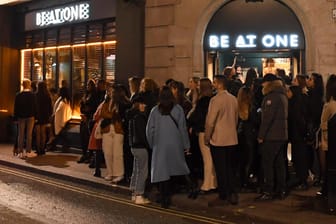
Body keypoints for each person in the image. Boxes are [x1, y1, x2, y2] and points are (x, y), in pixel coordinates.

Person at [146, 86, 190, 208]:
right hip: (175, 144)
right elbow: (182, 128)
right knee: (172, 171)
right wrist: (186, 145)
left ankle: (163, 196)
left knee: (162, 171)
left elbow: (149, 130)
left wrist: (151, 144)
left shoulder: (155, 111)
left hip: (159, 144)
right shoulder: (178, 109)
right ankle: (168, 196)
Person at [204, 75, 239, 206]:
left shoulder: (215, 100)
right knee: (230, 167)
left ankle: (223, 194)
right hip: (232, 138)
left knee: (221, 168)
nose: (213, 84)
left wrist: (207, 137)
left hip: (218, 139)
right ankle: (232, 192)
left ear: (219, 84)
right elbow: (236, 118)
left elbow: (210, 122)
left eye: (214, 82)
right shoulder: (233, 99)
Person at [255, 73, 288, 201]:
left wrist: (261, 135)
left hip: (272, 136)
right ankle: (281, 189)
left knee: (268, 164)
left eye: (263, 82)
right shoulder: (282, 95)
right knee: (279, 164)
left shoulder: (271, 97)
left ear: (268, 83)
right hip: (281, 135)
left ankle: (268, 191)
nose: (262, 85)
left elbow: (267, 119)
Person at [189, 78, 217, 194]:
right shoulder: (213, 99)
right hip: (214, 131)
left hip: (203, 131)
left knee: (207, 159)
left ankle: (207, 184)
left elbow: (194, 117)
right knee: (212, 158)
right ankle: (213, 182)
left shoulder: (201, 101)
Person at [237, 68, 258, 189]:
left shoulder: (238, 107)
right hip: (250, 134)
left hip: (241, 134)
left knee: (242, 158)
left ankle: (241, 180)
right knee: (250, 157)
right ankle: (247, 180)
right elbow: (255, 120)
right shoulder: (251, 108)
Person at [127, 93, 150, 204]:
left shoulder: (131, 116)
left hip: (133, 146)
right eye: (143, 104)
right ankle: (139, 195)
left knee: (136, 169)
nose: (145, 106)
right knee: (143, 171)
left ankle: (133, 192)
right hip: (141, 146)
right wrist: (149, 145)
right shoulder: (139, 117)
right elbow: (143, 134)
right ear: (139, 104)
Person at [318, 74, 336, 201]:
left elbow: (323, 123)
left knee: (328, 167)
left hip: (328, 141)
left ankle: (327, 191)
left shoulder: (330, 105)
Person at [14, 79, 37, 159]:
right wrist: (36, 117)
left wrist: (15, 118)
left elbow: (16, 107)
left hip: (21, 117)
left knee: (20, 135)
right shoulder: (33, 95)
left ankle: (20, 152)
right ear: (29, 85)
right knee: (29, 135)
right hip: (31, 117)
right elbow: (35, 107)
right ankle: (28, 151)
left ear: (22, 85)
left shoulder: (18, 95)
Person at [78, 79, 100, 163]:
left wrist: (87, 111)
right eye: (87, 85)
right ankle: (84, 154)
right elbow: (82, 106)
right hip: (84, 118)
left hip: (89, 118)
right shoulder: (86, 94)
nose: (87, 86)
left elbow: (93, 107)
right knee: (83, 137)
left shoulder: (95, 95)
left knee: (88, 137)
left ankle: (89, 155)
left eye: (89, 85)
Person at [35, 81, 53, 155]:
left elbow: (34, 106)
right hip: (45, 116)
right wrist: (49, 114)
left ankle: (38, 149)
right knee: (43, 133)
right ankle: (43, 149)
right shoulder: (47, 95)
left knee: (37, 133)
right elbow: (50, 107)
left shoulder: (35, 95)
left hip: (37, 116)